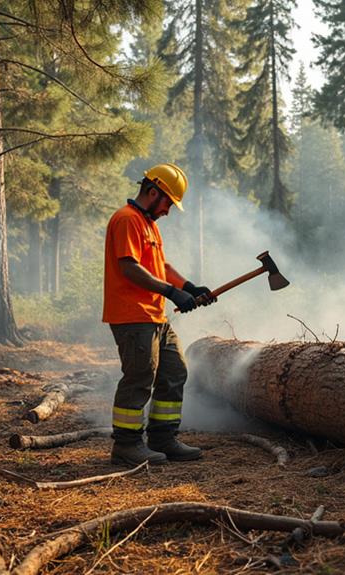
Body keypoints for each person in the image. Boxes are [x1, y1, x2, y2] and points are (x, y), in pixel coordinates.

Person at [102, 162, 215, 466]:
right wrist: (171, 292)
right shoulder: (126, 220)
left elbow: (160, 267)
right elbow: (129, 267)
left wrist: (188, 286)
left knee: (174, 370)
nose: (168, 211)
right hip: (132, 316)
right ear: (153, 192)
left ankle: (163, 438)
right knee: (139, 377)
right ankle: (126, 446)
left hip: (154, 317)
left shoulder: (148, 224)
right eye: (168, 202)